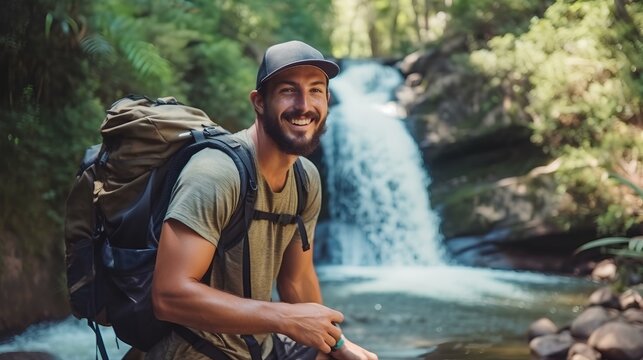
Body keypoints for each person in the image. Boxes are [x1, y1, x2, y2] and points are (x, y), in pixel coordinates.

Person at [148, 40, 378, 360]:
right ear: (259, 102)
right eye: (288, 91)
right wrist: (284, 318)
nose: (304, 105)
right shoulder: (216, 173)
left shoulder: (305, 178)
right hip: (194, 350)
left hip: (259, 347)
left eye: (315, 90)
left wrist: (337, 344)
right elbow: (169, 296)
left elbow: (296, 281)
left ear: (327, 99)